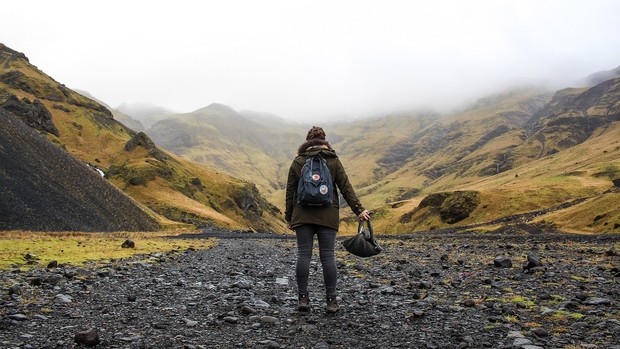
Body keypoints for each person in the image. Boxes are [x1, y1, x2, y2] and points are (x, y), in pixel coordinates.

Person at [285, 126, 370, 313]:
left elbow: (290, 191)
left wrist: (289, 217)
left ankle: (303, 300)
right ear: (325, 140)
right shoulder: (333, 160)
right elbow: (346, 187)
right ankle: (331, 301)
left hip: (302, 214)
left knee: (303, 255)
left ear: (307, 141)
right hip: (328, 214)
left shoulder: (298, 161)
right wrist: (359, 210)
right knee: (328, 257)